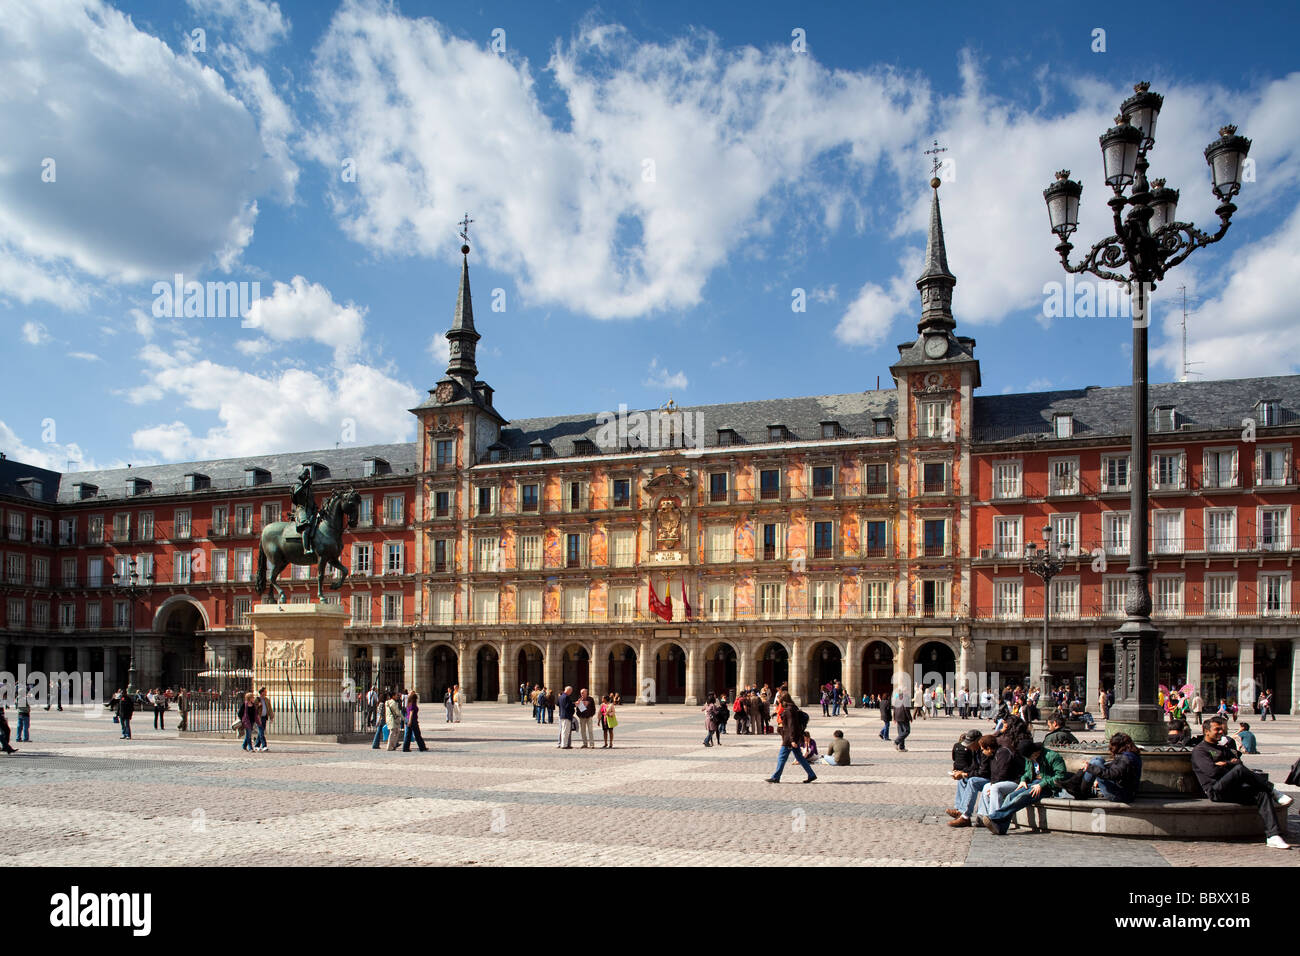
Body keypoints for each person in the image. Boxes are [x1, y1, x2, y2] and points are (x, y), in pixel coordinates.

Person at [1191, 717, 1293, 849]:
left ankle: (1273, 836)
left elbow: (1239, 762)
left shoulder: (1222, 748)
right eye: (1217, 729)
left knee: (1262, 794)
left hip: (1233, 788)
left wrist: (1225, 764)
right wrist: (1230, 764)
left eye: (1222, 729)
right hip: (1215, 790)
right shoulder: (1200, 750)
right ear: (1206, 731)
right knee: (1239, 770)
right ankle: (1273, 791)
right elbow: (1212, 772)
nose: (1221, 732)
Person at [982, 739, 1069, 835]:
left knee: (1022, 797)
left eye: (1031, 757)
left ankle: (994, 817)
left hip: (1048, 786)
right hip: (1034, 783)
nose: (1031, 760)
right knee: (1010, 796)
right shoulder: (1029, 757)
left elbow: (1060, 776)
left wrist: (1042, 784)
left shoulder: (1052, 756)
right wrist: (1023, 780)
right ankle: (1000, 828)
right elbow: (1027, 772)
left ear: (1035, 752)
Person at [1062, 732, 1142, 802]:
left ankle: (1080, 791)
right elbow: (1117, 770)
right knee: (1098, 759)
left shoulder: (1126, 758)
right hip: (1124, 792)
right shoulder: (1130, 755)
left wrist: (1090, 768)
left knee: (1096, 763)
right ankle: (1075, 783)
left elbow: (1113, 774)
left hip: (1121, 796)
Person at [765, 692, 816, 784]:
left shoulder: (789, 711)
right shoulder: (793, 708)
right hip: (793, 737)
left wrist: (792, 740)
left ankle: (776, 777)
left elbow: (792, 726)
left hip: (789, 739)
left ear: (783, 700)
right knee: (800, 758)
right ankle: (811, 774)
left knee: (782, 757)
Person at [946, 734, 995, 828]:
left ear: (978, 742)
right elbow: (974, 767)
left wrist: (966, 774)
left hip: (990, 778)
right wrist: (962, 772)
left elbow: (983, 772)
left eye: (970, 744)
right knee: (962, 780)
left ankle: (965, 815)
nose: (968, 746)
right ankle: (959, 810)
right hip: (982, 775)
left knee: (972, 781)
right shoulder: (974, 751)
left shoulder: (984, 751)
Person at [254, 686, 273, 752]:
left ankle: (256, 745)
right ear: (261, 692)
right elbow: (253, 708)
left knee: (260, 732)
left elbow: (270, 709)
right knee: (261, 731)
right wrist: (258, 705)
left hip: (264, 717)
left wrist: (271, 717)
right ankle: (264, 746)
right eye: (265, 691)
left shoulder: (267, 700)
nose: (266, 692)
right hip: (258, 718)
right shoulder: (256, 699)